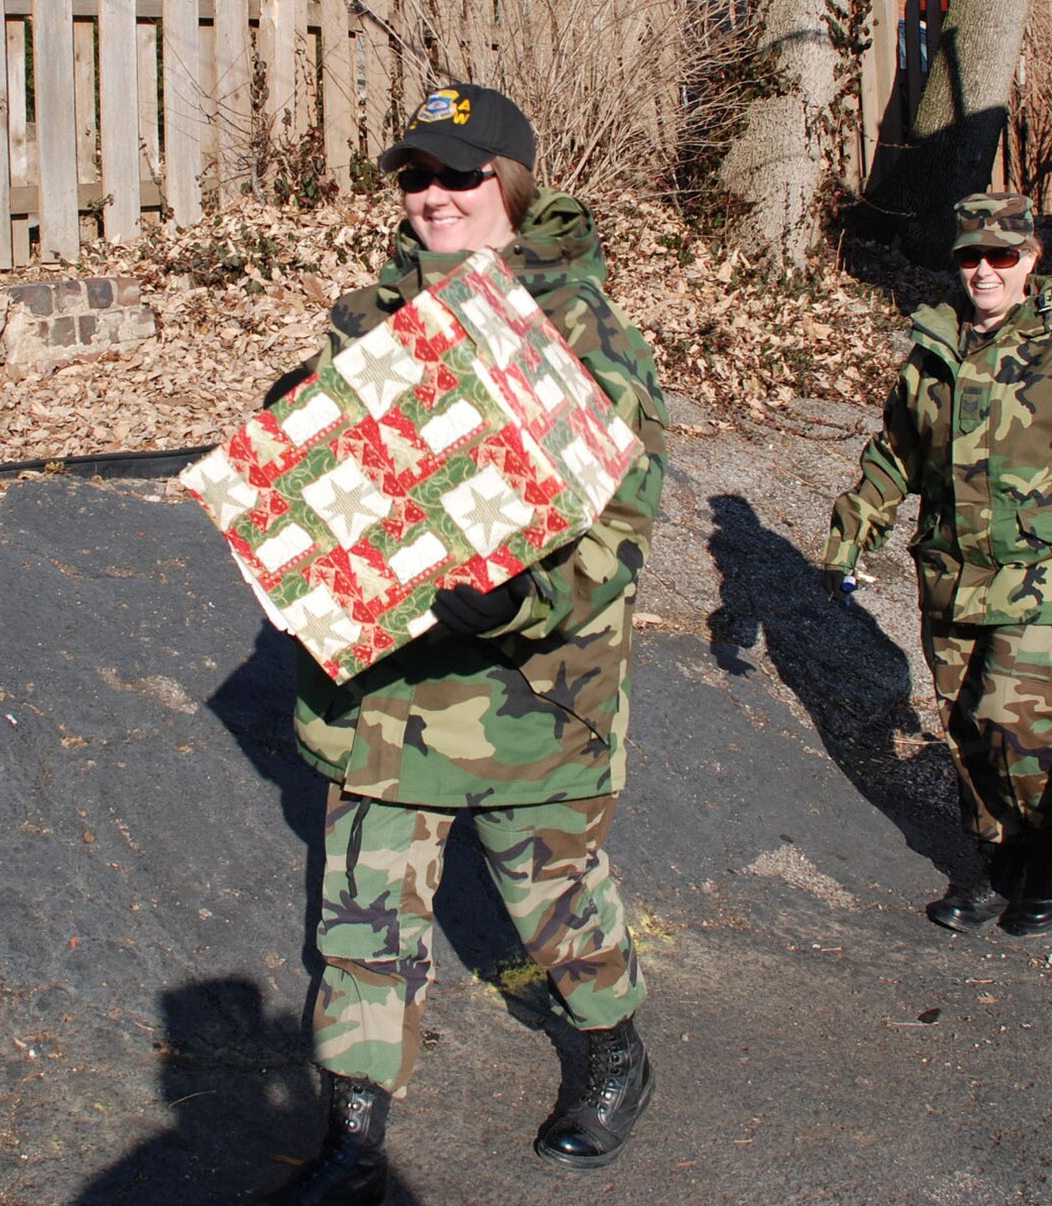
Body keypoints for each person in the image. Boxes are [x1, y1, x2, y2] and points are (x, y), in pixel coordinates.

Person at [266, 85, 669, 1204]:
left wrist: (518, 600)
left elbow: (618, 530)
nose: (433, 196)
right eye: (415, 176)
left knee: (552, 897)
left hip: (525, 691)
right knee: (361, 914)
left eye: (459, 174)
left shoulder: (580, 332)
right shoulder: (366, 317)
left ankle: (613, 1055)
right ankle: (353, 1135)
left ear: (514, 183)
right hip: (383, 688)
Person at [823, 192, 1052, 939]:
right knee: (966, 728)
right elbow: (896, 454)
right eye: (969, 257)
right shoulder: (935, 348)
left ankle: (1044, 855)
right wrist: (851, 537)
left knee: (1014, 721)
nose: (984, 270)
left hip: (1050, 572)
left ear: (1031, 262)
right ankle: (995, 866)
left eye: (1001, 256)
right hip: (953, 573)